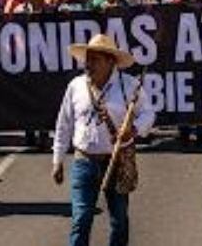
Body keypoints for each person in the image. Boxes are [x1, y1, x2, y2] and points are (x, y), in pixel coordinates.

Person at [52, 34, 156, 246]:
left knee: (119, 221)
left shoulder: (129, 86)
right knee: (81, 219)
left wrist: (133, 130)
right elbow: (64, 123)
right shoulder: (76, 86)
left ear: (110, 61)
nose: (88, 64)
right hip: (84, 161)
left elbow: (148, 113)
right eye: (87, 59)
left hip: (116, 161)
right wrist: (58, 160)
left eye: (94, 59)